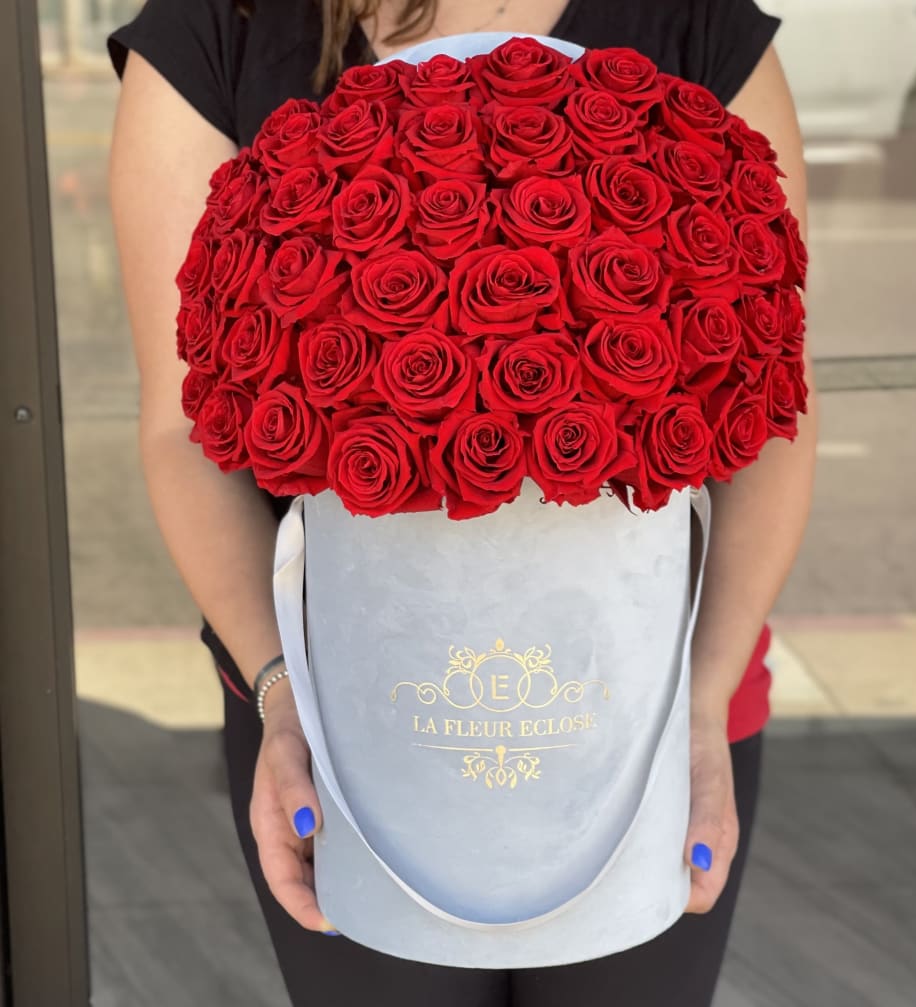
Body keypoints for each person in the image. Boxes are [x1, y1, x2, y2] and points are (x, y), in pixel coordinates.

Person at [106, 1, 817, 1004]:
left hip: (661, 698)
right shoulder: (218, 31)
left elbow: (770, 395)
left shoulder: (689, 20)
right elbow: (181, 427)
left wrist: (697, 706)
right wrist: (280, 698)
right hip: (333, 722)